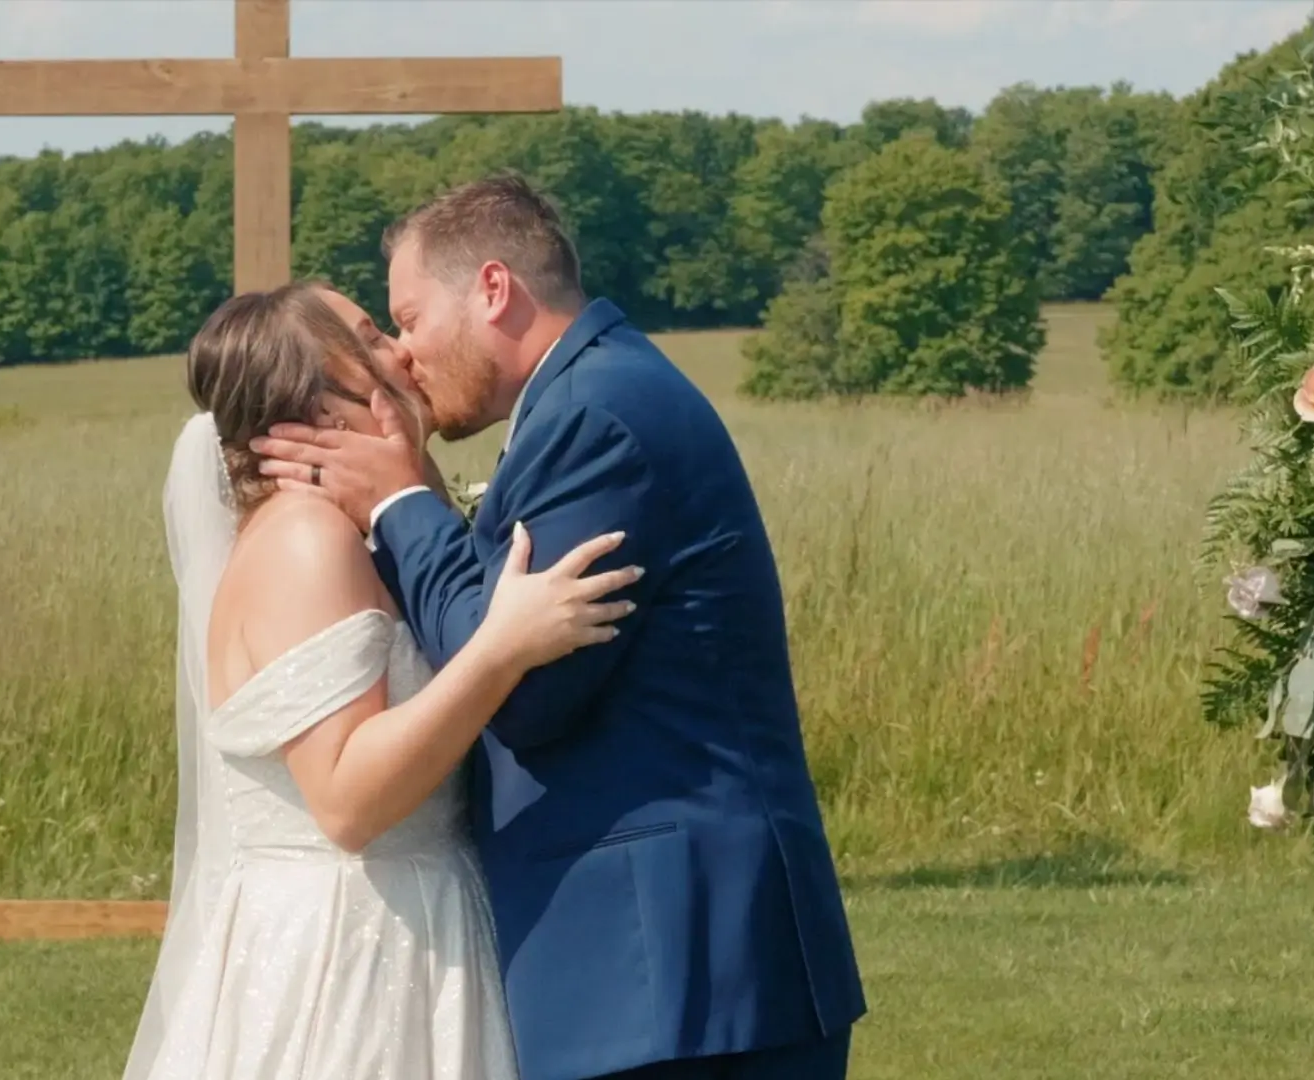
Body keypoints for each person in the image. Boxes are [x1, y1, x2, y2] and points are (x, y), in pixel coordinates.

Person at [251, 175, 866, 1080]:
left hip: (677, 971)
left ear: (494, 290)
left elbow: (526, 689)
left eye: (411, 320)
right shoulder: (589, 395)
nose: (406, 358)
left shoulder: (596, 417)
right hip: (666, 975)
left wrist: (402, 504)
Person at [126, 281, 638, 1080]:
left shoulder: (354, 534)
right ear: (318, 407)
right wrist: (501, 649)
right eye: (369, 336)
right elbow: (346, 800)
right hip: (348, 953)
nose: (400, 350)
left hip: (420, 920)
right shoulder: (304, 541)